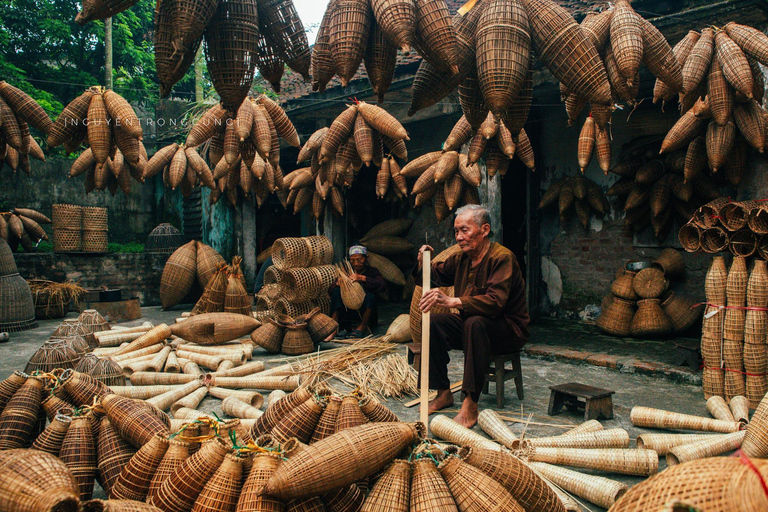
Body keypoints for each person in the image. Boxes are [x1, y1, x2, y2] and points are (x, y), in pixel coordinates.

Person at [416, 204, 529, 428]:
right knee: (434, 322)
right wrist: (423, 262)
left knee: (475, 323)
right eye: (456, 231)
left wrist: (453, 301)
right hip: (473, 326)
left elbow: (495, 302)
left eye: (465, 230)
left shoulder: (502, 258)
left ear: (484, 229)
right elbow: (433, 276)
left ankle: (470, 404)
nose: (459, 237)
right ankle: (443, 392)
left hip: (507, 329)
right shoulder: (462, 259)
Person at [329, 245, 387, 339]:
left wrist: (363, 278)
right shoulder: (346, 272)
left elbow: (382, 286)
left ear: (366, 258)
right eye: (352, 260)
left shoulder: (372, 271)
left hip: (365, 313)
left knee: (370, 296)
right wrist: (338, 284)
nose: (356, 263)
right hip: (347, 311)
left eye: (360, 259)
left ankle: (362, 327)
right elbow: (329, 291)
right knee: (336, 291)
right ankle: (334, 328)